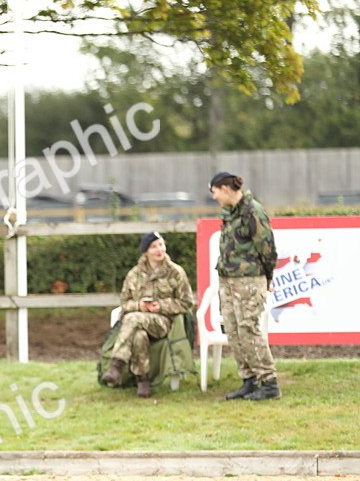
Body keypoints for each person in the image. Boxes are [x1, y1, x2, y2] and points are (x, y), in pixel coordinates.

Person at [209, 171, 280, 400]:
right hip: (227, 281)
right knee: (233, 331)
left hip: (249, 281)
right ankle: (248, 380)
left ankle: (269, 382)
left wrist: (266, 279)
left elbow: (268, 249)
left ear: (225, 189)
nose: (214, 197)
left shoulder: (253, 212)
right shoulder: (229, 213)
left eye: (214, 192)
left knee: (249, 329)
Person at [100, 232, 195, 398]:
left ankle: (117, 365)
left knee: (132, 318)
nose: (159, 249)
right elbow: (124, 303)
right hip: (139, 321)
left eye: (161, 244)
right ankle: (142, 380)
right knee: (139, 335)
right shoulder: (134, 275)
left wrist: (162, 306)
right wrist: (139, 305)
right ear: (145, 252)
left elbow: (187, 303)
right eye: (154, 246)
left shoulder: (175, 272)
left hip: (164, 322)